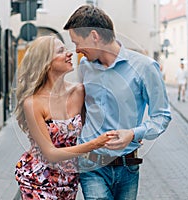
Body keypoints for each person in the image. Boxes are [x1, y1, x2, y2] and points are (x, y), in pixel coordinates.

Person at [63, 5, 172, 199]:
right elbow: (84, 108)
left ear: (95, 36)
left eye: (77, 42)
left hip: (127, 167)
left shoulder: (145, 67)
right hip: (91, 165)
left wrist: (133, 133)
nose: (77, 50)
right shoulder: (85, 66)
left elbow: (162, 116)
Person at [14, 35, 117, 200]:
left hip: (68, 181)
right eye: (61, 51)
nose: (69, 54)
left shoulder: (80, 92)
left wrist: (128, 133)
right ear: (46, 62)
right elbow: (51, 153)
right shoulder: (32, 103)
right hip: (38, 181)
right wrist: (94, 144)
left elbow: (97, 123)